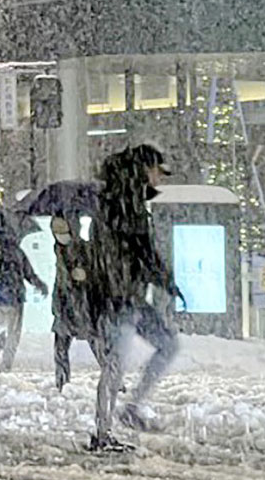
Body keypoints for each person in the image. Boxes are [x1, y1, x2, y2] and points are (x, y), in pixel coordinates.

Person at [88, 144, 182, 451]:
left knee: (167, 344)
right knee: (115, 364)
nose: (161, 178)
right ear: (145, 169)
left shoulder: (127, 202)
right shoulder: (123, 204)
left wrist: (158, 277)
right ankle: (102, 433)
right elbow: (140, 251)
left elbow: (139, 252)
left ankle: (131, 408)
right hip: (118, 297)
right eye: (158, 171)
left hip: (130, 295)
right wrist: (163, 277)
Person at [0, 222, 47, 372]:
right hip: (13, 297)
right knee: (14, 333)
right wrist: (39, 284)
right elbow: (28, 273)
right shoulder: (15, 252)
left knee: (11, 330)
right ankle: (4, 365)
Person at [49, 212, 99, 391]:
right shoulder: (59, 249)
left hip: (81, 305)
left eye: (62, 229)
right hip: (65, 306)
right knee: (61, 348)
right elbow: (61, 280)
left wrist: (84, 276)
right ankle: (61, 382)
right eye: (56, 230)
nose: (59, 234)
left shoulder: (83, 248)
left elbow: (95, 273)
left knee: (97, 344)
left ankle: (114, 379)